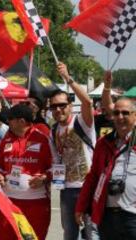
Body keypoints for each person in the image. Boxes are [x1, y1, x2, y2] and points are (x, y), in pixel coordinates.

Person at [75, 98, 136, 240]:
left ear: (135, 115)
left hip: (133, 216)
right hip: (107, 215)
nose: (120, 117)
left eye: (125, 113)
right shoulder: (104, 142)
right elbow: (93, 177)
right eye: (116, 113)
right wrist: (81, 206)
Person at [50, 62, 95, 240]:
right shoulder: (52, 130)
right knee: (69, 234)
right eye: (54, 107)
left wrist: (68, 78)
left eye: (62, 105)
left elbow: (88, 101)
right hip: (66, 189)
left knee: (92, 234)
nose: (58, 109)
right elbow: (56, 160)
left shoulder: (81, 121)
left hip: (88, 187)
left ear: (70, 105)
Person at [0, 104, 52, 240]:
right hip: (9, 202)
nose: (7, 121)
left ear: (21, 121)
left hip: (36, 203)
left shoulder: (43, 139)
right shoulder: (6, 139)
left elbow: (57, 168)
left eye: (10, 119)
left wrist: (44, 178)